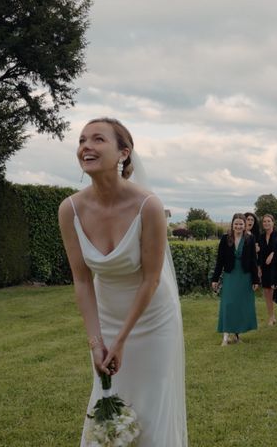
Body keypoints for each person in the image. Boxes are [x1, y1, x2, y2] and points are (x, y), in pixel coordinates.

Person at [58, 117, 187, 446]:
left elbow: (151, 279)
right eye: (82, 140)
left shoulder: (148, 206)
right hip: (107, 319)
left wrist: (122, 341)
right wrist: (97, 341)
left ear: (123, 153)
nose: (86, 146)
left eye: (98, 139)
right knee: (109, 399)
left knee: (152, 404)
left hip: (153, 319)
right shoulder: (69, 209)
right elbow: (83, 282)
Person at [211, 213, 260, 346]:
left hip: (245, 276)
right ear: (232, 224)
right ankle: (225, 336)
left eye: (241, 224)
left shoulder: (250, 239)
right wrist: (215, 279)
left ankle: (237, 336)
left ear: (245, 225)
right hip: (230, 275)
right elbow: (219, 260)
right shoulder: (225, 238)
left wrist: (256, 280)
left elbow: (253, 261)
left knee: (240, 305)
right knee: (228, 304)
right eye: (236, 223)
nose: (238, 226)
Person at [259, 214, 277, 325]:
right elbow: (259, 253)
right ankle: (271, 317)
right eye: (264, 221)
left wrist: (273, 253)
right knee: (267, 292)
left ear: (273, 222)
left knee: (276, 292)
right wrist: (259, 268)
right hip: (264, 268)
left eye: (268, 221)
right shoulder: (261, 237)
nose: (266, 223)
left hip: (276, 268)